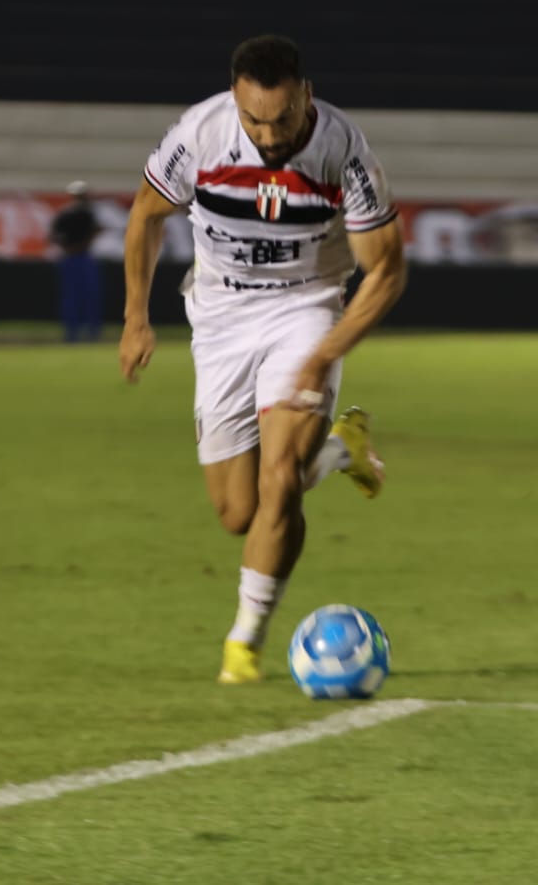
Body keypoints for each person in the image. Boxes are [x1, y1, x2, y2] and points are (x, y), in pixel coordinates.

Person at [119, 35, 407, 684]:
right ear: (234, 102)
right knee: (238, 515)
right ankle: (340, 452)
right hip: (219, 319)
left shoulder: (343, 150)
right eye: (254, 120)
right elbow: (145, 214)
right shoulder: (200, 133)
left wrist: (324, 352)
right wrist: (137, 318)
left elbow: (385, 272)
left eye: (280, 120)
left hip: (303, 311)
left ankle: (242, 643)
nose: (268, 135)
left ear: (306, 96)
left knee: (280, 478)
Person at [49, 180, 104, 342]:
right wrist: (73, 245)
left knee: (87, 296)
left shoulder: (78, 213)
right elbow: (55, 235)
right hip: (76, 257)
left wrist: (69, 245)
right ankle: (76, 332)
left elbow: (54, 235)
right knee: (77, 297)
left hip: (79, 257)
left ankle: (87, 332)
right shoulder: (74, 214)